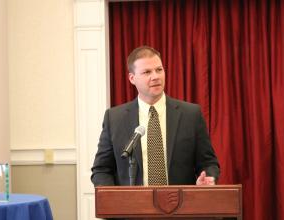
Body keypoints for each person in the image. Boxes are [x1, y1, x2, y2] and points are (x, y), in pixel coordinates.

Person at [91, 46, 219, 186]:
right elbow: (101, 170)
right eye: (147, 72)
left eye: (159, 70)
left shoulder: (191, 114)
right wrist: (114, 198)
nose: (155, 76)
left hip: (180, 204)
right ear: (132, 78)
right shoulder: (114, 118)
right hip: (132, 206)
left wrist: (208, 177)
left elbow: (208, 163)